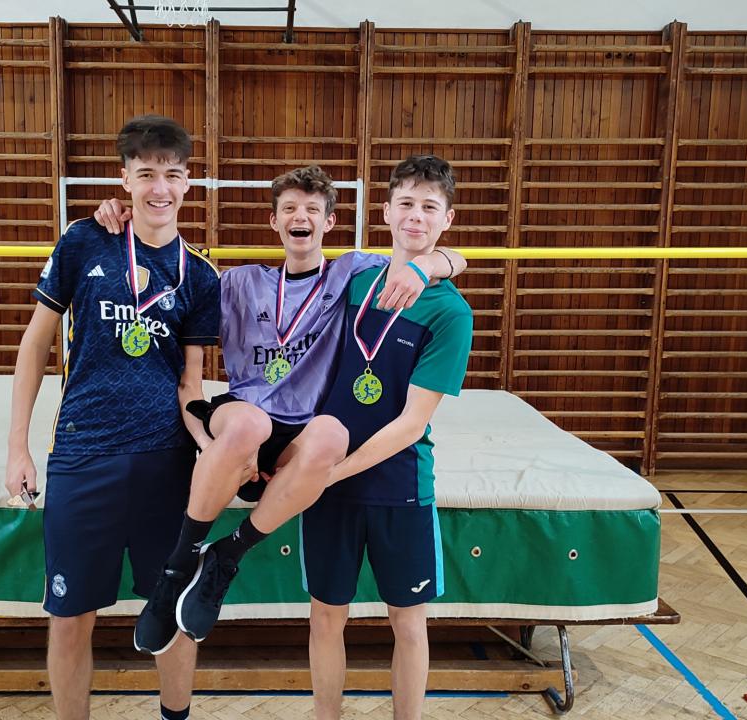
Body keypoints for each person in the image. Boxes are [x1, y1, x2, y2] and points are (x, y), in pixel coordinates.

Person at [92, 165, 466, 650]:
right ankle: (177, 566)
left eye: (312, 209)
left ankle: (227, 556)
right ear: (274, 221)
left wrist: (428, 265)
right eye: (289, 208)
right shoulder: (240, 281)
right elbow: (173, 274)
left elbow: (440, 254)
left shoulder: (352, 273)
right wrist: (124, 220)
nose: (300, 217)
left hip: (298, 437)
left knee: (331, 433)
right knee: (249, 423)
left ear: (330, 222)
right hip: (243, 419)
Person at [4, 114, 220, 720]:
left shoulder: (201, 276)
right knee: (70, 615)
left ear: (188, 182)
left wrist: (217, 451)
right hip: (83, 454)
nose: (159, 188)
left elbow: (192, 383)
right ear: (125, 179)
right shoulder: (84, 241)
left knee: (172, 610)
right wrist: (17, 447)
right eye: (145, 173)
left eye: (171, 175)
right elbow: (34, 344)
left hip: (165, 462)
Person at [303, 155, 474, 720]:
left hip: (399, 486)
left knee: (408, 621)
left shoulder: (451, 314)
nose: (415, 216)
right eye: (406, 203)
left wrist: (329, 473)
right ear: (385, 211)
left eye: (429, 206)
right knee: (326, 616)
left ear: (447, 219)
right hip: (329, 486)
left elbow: (411, 423)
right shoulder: (355, 281)